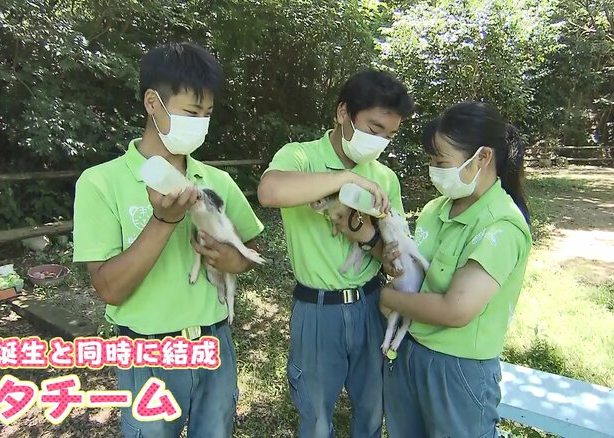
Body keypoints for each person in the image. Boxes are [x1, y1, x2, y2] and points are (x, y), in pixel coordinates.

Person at [72, 42, 264, 438]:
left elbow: (248, 253)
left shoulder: (216, 181)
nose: (201, 123)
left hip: (214, 345)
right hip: (146, 355)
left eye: (207, 114)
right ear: (152, 103)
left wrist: (235, 261)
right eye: (191, 112)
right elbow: (109, 287)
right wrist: (163, 220)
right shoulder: (100, 182)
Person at [257, 69, 415, 438]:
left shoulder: (385, 178)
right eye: (373, 129)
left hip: (370, 305)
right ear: (343, 112)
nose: (379, 142)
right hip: (316, 311)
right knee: (314, 418)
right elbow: (269, 191)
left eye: (388, 136)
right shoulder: (299, 156)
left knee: (373, 410)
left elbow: (391, 253)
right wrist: (345, 179)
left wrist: (368, 238)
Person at [380, 101, 532, 437]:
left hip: (459, 370)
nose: (434, 171)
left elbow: (456, 309)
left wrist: (388, 298)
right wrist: (394, 265)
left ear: (482, 157)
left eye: (441, 162)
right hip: (411, 353)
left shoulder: (502, 225)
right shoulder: (437, 209)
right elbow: (420, 273)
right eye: (432, 162)